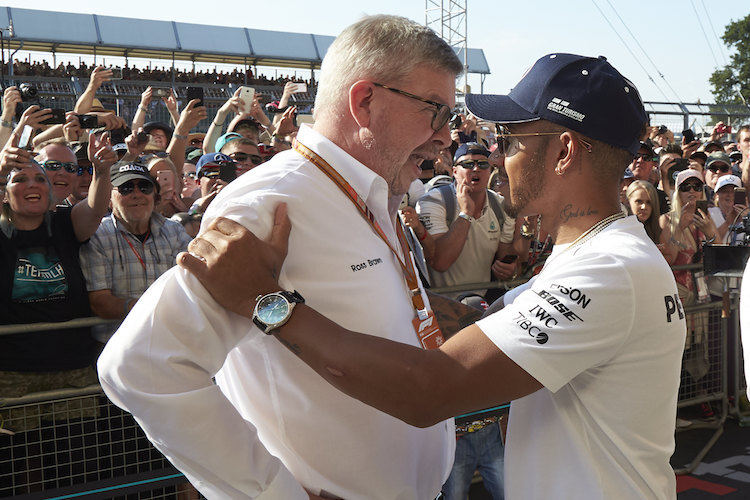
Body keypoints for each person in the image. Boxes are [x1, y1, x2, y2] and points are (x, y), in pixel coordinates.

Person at [178, 53, 688, 500]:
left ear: (564, 151)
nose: (496, 156)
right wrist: (380, 266)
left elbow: (431, 389)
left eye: (509, 139)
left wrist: (268, 302)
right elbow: (474, 324)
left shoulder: (610, 269)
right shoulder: (598, 255)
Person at [98, 15, 462, 499]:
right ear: (365, 101)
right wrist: (272, 493)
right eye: (435, 110)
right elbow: (142, 365)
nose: (446, 136)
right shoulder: (271, 203)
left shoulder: (376, 195)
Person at [79, 162, 192, 344]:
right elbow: (100, 302)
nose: (137, 194)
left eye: (144, 187)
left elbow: (192, 284)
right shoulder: (97, 235)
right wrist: (155, 310)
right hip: (117, 344)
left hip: (171, 339)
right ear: (109, 198)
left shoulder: (174, 231)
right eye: (126, 188)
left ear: (154, 195)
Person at [417, 142, 517, 302]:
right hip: (443, 305)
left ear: (490, 170)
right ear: (455, 172)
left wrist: (508, 269)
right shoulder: (433, 201)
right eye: (468, 164)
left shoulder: (500, 205)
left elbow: (504, 256)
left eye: (483, 164)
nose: (476, 169)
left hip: (483, 301)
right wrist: (466, 214)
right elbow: (440, 262)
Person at [626, 179, 661, 244]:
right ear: (628, 202)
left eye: (649, 202)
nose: (644, 207)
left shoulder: (658, 231)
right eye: (639, 202)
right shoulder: (622, 230)